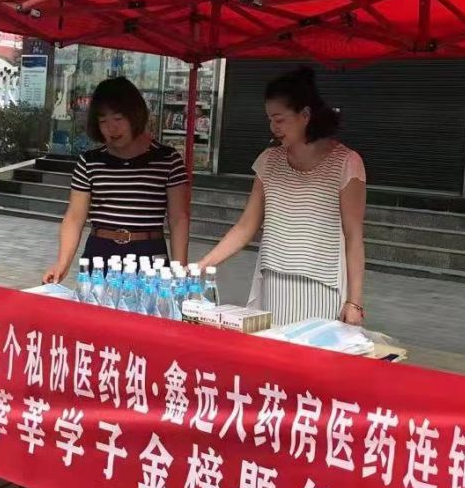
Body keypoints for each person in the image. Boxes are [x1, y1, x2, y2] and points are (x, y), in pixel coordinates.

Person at [198, 67, 366, 325]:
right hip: (273, 281)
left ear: (305, 115)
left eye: (280, 119)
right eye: (270, 119)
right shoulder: (269, 161)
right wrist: (204, 263)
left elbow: (354, 236)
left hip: (323, 287)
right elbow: (246, 226)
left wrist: (354, 302)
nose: (273, 127)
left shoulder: (346, 163)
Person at [43, 76, 189, 283]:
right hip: (100, 254)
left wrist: (180, 270)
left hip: (149, 255)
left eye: (118, 119)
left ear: (135, 116)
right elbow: (75, 217)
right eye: (103, 121)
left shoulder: (167, 159)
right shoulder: (90, 161)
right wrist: (62, 263)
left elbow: (178, 218)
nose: (111, 128)